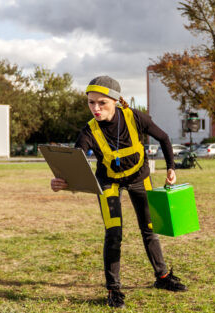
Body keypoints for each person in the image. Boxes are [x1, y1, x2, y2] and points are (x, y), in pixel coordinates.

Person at [50, 76, 187, 308]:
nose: (95, 108)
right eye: (91, 103)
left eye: (101, 102)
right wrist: (61, 180)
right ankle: (114, 290)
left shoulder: (135, 117)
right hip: (108, 182)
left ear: (115, 100)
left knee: (149, 229)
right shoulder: (88, 132)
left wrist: (171, 168)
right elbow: (76, 163)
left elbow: (164, 138)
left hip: (139, 177)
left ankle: (162, 278)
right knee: (113, 234)